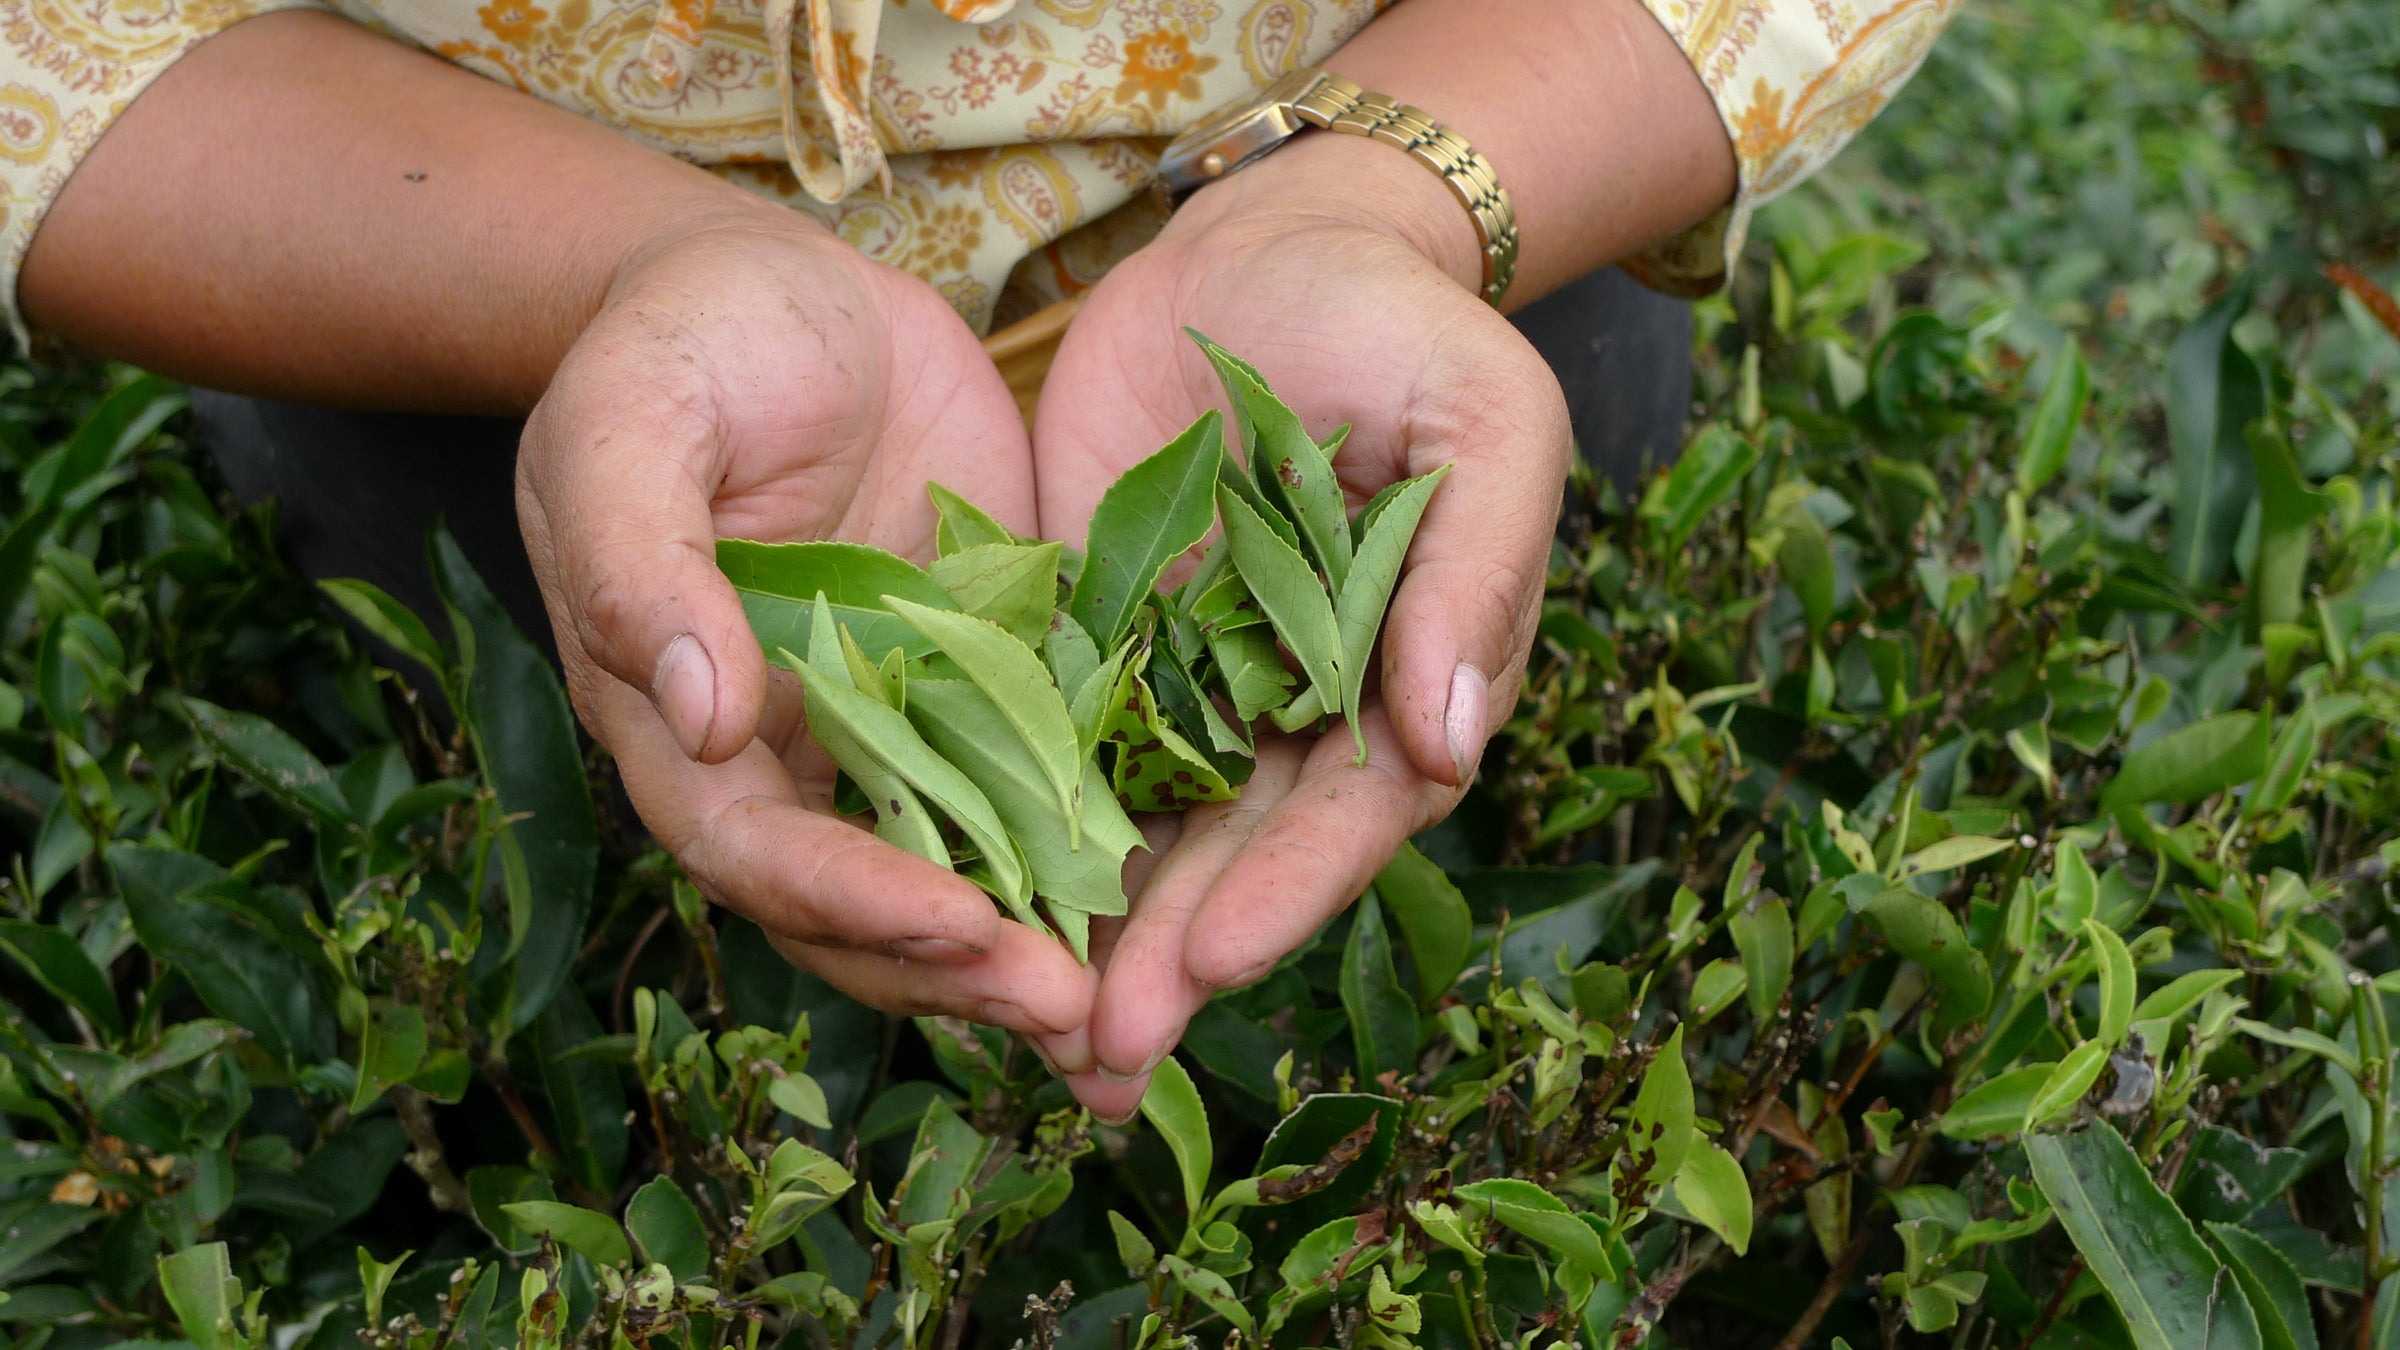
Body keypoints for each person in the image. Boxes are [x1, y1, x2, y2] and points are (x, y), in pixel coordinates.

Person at [2, 0, 1953, 1119]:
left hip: (1463, 217)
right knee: (571, 964)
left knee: (1433, 942)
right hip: (414, 286)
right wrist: (636, 268)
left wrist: (1389, 191)